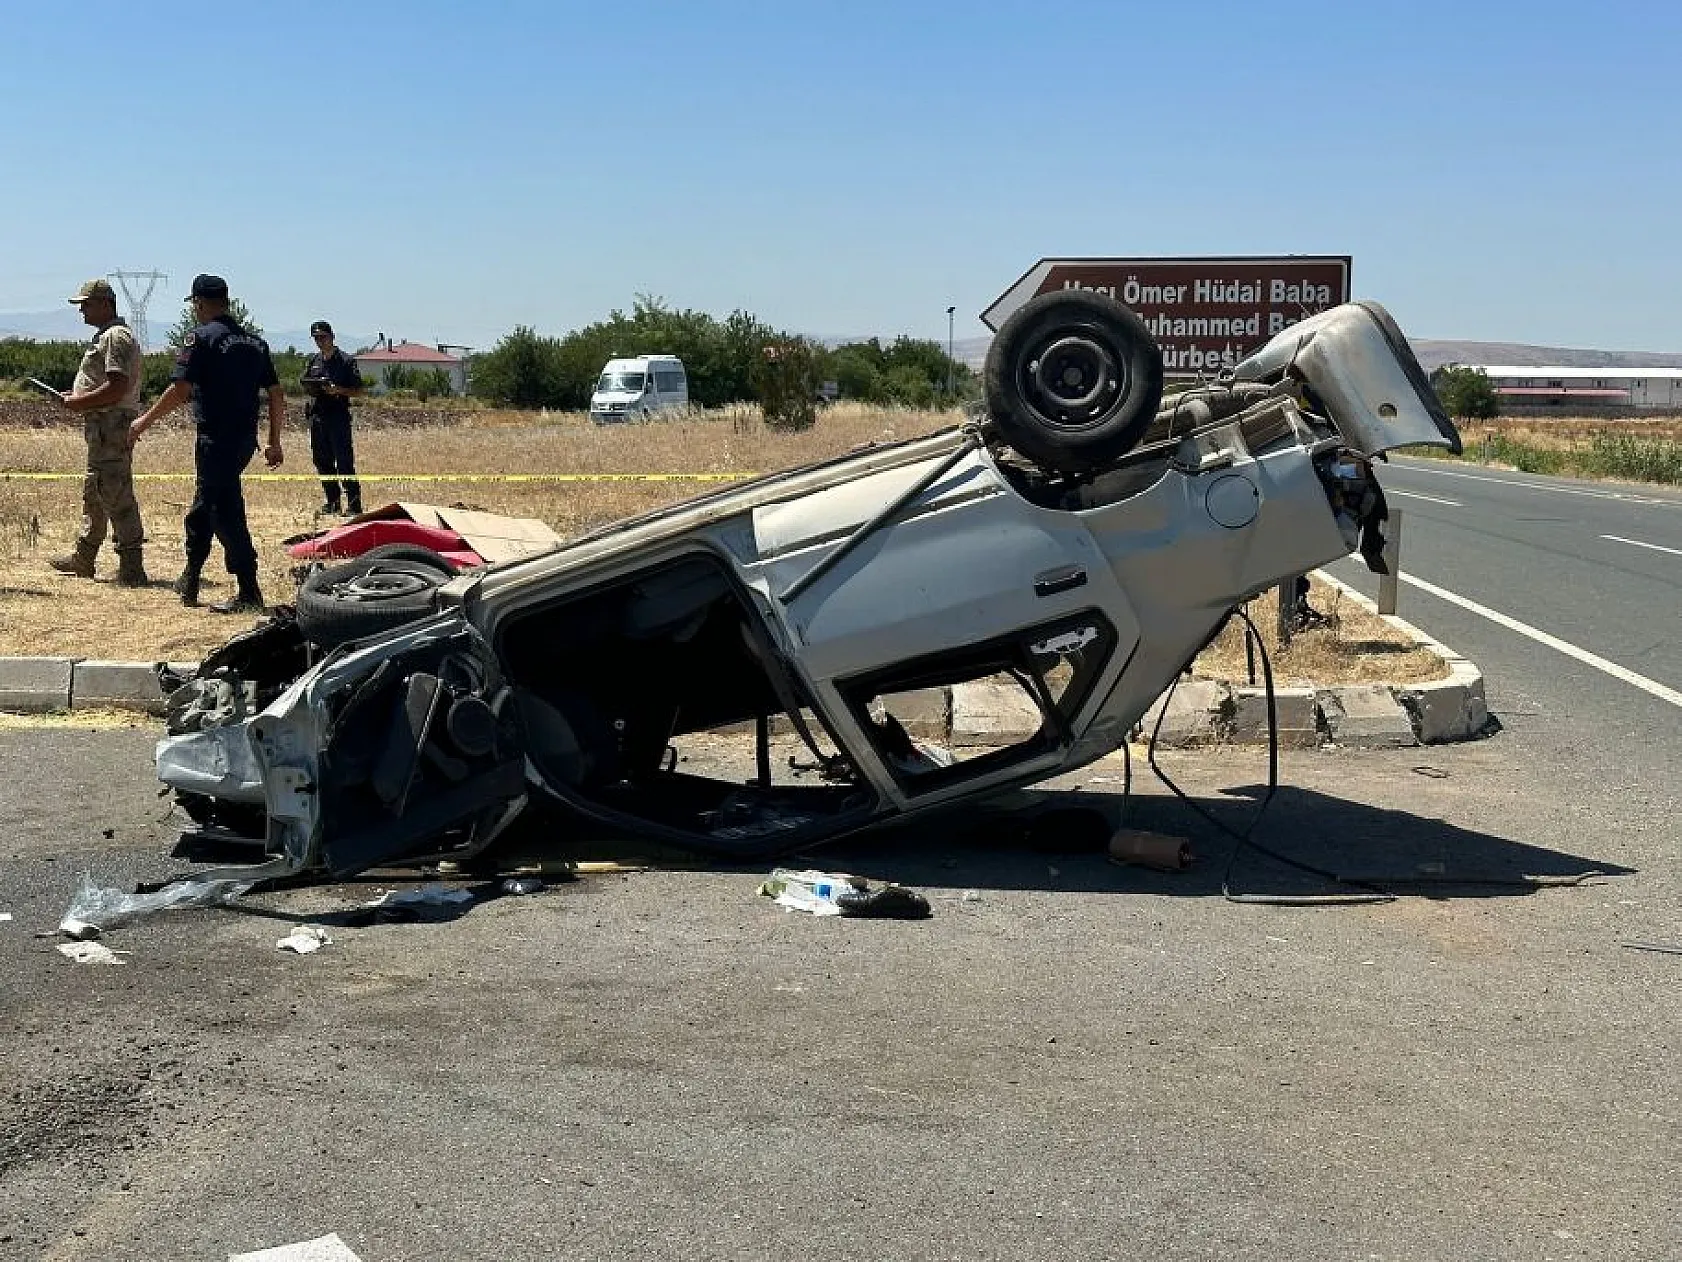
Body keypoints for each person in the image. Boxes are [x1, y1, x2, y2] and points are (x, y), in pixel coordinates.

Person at [128, 274, 284, 614]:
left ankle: (245, 589)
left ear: (199, 303)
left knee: (219, 512)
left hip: (215, 440)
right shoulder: (256, 343)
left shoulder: (200, 339)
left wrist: (143, 421)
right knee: (210, 506)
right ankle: (194, 577)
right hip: (244, 441)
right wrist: (273, 440)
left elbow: (181, 390)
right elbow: (275, 394)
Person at [51, 279, 148, 586]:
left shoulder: (115, 337)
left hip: (111, 425)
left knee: (116, 494)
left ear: (106, 303)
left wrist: (79, 402)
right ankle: (84, 558)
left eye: (86, 304)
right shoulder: (107, 335)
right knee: (95, 492)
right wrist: (80, 395)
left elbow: (117, 386)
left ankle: (131, 568)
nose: (81, 311)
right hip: (103, 426)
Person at [300, 319, 365, 515]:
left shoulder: (346, 361)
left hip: (338, 417)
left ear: (332, 337)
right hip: (318, 417)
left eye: (323, 337)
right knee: (322, 461)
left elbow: (359, 390)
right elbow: (306, 381)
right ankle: (333, 502)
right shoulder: (314, 361)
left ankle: (354, 505)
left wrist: (338, 390)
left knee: (344, 461)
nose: (320, 341)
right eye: (316, 338)